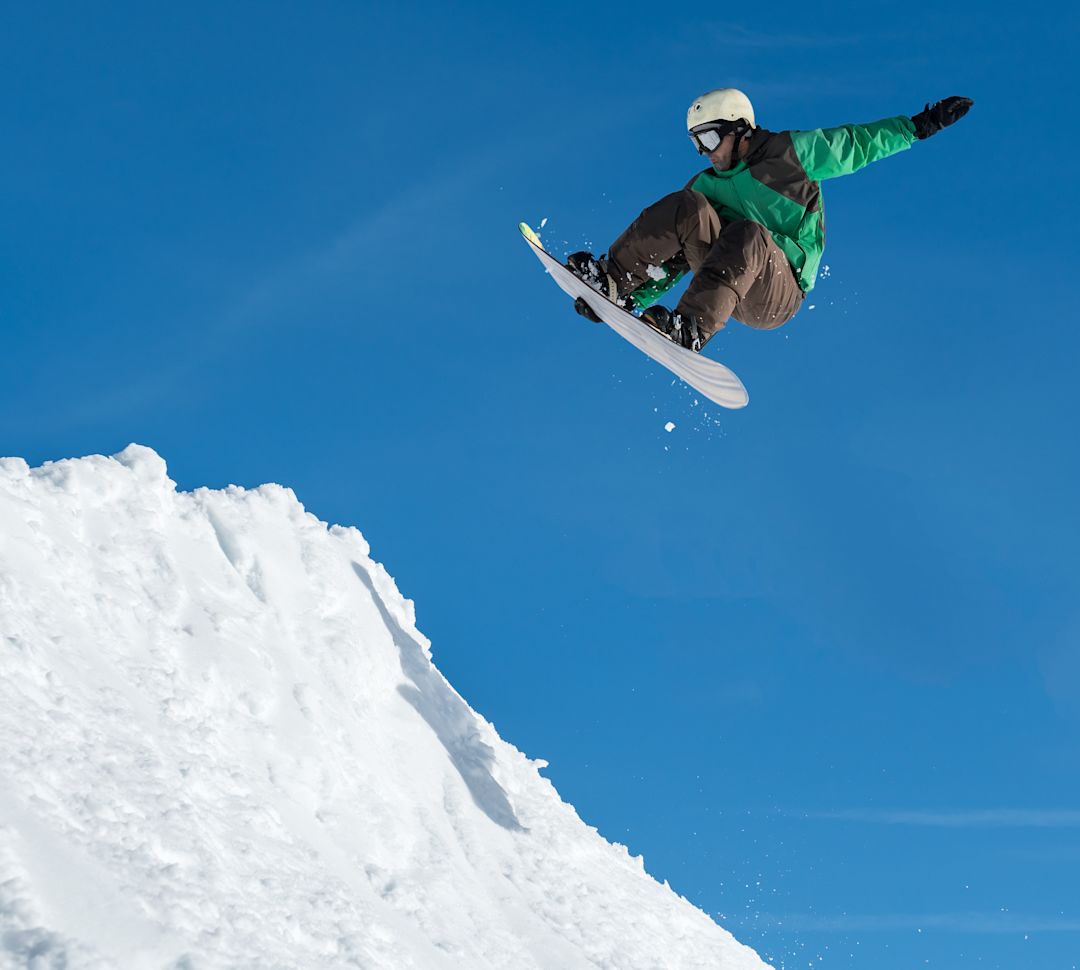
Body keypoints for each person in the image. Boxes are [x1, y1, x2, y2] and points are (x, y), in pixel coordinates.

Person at [567, 89, 973, 351]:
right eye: (696, 143)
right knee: (684, 206)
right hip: (726, 277)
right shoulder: (707, 185)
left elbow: (855, 145)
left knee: (750, 233)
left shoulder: (789, 153)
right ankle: (614, 279)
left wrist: (920, 126)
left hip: (778, 292)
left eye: (709, 139)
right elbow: (672, 261)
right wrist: (622, 305)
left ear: (740, 130)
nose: (705, 152)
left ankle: (689, 329)